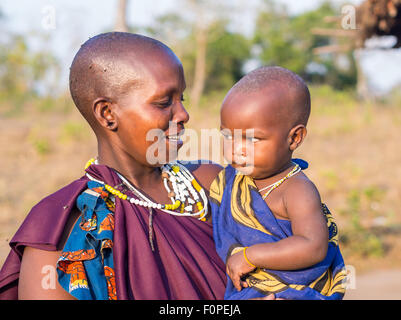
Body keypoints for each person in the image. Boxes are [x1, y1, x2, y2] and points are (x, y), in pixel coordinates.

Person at [0, 32, 229, 300]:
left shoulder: (209, 184)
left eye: (182, 99)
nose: (183, 114)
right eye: (164, 102)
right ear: (107, 114)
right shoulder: (59, 230)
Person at [209, 66, 347, 300]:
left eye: (252, 139)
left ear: (295, 138)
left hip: (294, 293)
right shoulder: (231, 181)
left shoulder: (296, 190)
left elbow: (313, 246)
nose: (235, 150)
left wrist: (251, 256)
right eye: (227, 136)